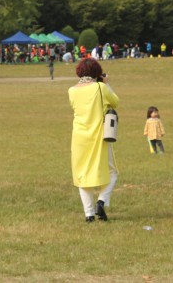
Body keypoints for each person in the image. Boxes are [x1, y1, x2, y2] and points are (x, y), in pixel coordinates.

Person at [68, 57, 120, 223]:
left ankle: (88, 214)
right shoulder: (100, 87)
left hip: (79, 138)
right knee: (112, 172)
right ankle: (101, 201)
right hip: (99, 136)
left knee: (83, 175)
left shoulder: (72, 91)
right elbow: (115, 102)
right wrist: (105, 82)